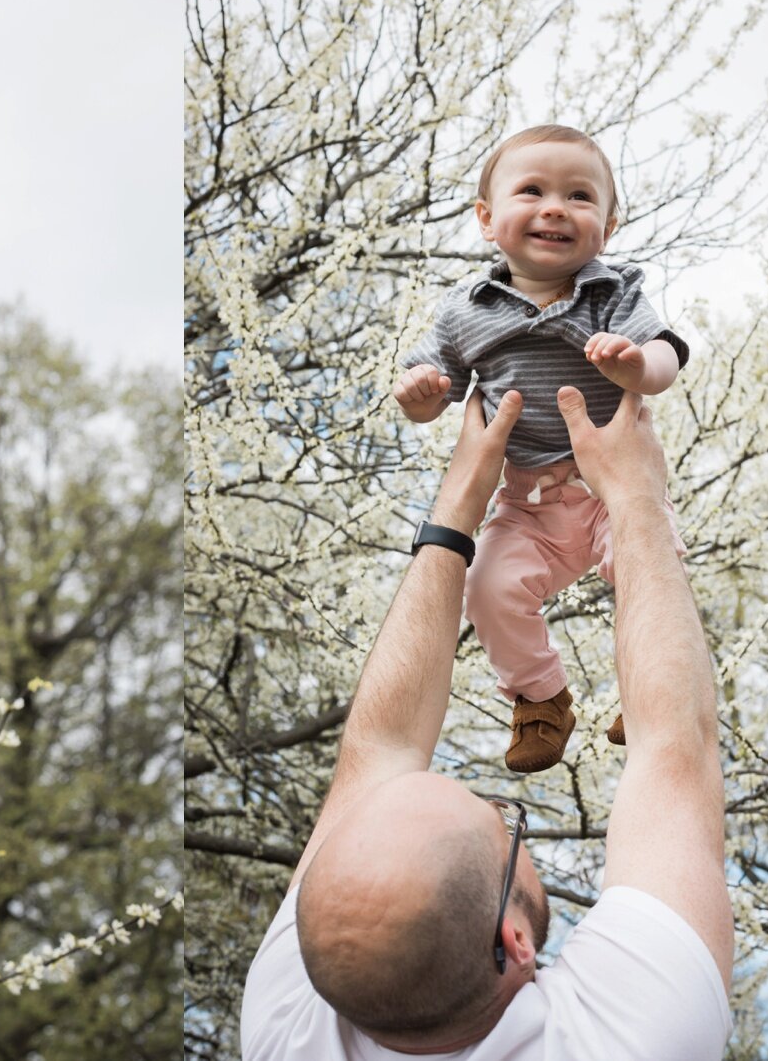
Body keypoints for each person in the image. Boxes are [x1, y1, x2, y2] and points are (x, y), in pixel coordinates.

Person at [238, 386, 733, 1059]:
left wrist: (457, 506)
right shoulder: (634, 1036)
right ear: (514, 941)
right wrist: (637, 498)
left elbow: (379, 748)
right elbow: (678, 748)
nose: (506, 814)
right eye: (506, 826)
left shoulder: (287, 1030)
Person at [391, 124, 691, 773]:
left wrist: (639, 367)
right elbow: (433, 380)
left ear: (607, 228)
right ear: (486, 218)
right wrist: (420, 395)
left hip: (614, 493)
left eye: (580, 196)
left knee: (651, 569)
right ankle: (541, 698)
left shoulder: (613, 295)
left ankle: (648, 687)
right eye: (532, 191)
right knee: (489, 586)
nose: (555, 206)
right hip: (526, 502)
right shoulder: (466, 310)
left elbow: (668, 352)